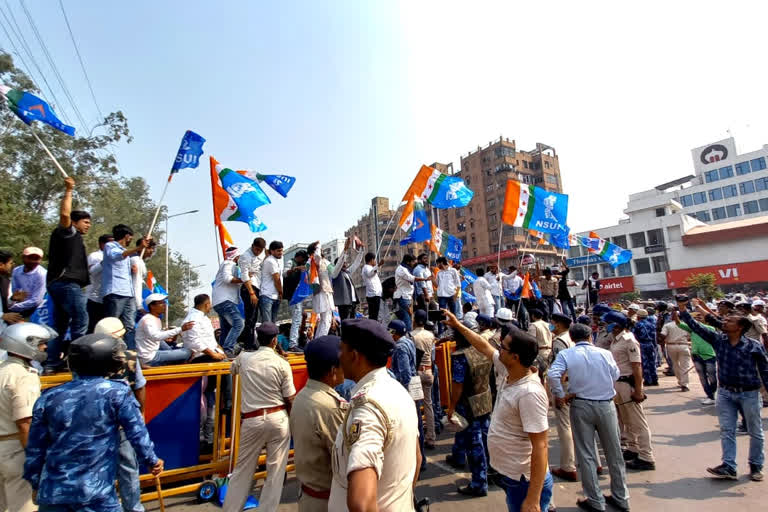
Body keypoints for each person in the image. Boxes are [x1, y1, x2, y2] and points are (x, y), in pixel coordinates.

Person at [24, 333, 163, 512]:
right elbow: (137, 433)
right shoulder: (117, 394)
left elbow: (35, 449)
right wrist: (152, 461)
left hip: (53, 494)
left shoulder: (48, 397)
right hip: (96, 495)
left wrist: (35, 483)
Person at [443, 310, 553, 512]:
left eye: (503, 347)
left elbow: (541, 446)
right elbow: (482, 345)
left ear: (515, 357)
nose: (498, 348)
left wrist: (533, 498)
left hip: (524, 481)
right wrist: (458, 325)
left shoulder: (529, 392)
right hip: (512, 476)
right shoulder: (507, 369)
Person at [328, 318, 420, 512]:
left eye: (342, 350)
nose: (339, 356)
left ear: (354, 355)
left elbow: (362, 503)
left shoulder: (368, 408)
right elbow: (417, 458)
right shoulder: (397, 391)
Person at [679, 297, 768, 481]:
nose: (724, 322)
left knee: (755, 431)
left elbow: (765, 371)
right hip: (726, 393)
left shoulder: (754, 346)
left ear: (740, 327)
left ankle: (756, 466)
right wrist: (683, 308)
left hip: (750, 394)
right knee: (727, 430)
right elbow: (696, 327)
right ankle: (729, 465)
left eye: (729, 321)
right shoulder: (719, 341)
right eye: (725, 320)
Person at [549, 323, 629, 512]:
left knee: (586, 454)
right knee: (614, 453)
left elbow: (553, 374)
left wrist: (560, 395)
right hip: (606, 404)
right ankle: (621, 497)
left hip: (581, 404)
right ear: (590, 337)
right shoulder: (604, 353)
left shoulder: (566, 354)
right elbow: (615, 374)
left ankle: (595, 499)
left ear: (573, 338)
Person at [224, 323, 296, 512]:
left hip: (252, 419)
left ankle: (231, 508)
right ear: (275, 340)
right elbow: (290, 398)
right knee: (275, 473)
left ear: (257, 339)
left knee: (242, 471)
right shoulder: (282, 363)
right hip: (278, 417)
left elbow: (232, 369)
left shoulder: (244, 358)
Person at [94, 317, 148, 512]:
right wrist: (140, 413)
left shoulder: (85, 358)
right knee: (128, 469)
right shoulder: (130, 357)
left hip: (95, 425)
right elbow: (140, 387)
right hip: (122, 423)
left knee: (100, 470)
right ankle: (133, 508)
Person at [0, 323, 54, 512]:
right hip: (16, 450)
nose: (44, 348)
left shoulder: (2, 371)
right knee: (23, 506)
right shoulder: (23, 376)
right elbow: (25, 423)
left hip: (3, 447)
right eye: (41, 344)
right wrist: (36, 459)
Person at [290, 335, 347, 511]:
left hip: (309, 495)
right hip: (328, 500)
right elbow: (346, 459)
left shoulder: (302, 396)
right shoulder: (330, 407)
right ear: (332, 371)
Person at [45, 177, 92, 371]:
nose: (88, 225)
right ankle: (78, 363)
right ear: (74, 222)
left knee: (60, 326)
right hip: (66, 284)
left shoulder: (75, 239)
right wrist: (69, 191)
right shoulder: (67, 232)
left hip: (59, 284)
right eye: (85, 222)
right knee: (81, 321)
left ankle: (52, 363)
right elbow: (64, 214)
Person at [445, 319, 492, 497]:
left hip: (469, 404)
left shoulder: (461, 356)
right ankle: (489, 472)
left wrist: (451, 407)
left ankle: (479, 483)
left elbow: (457, 384)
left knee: (475, 444)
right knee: (485, 438)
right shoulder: (483, 349)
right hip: (484, 399)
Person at [604, 310, 656, 471]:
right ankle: (633, 448)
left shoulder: (629, 340)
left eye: (609, 323)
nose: (606, 326)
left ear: (617, 325)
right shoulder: (615, 340)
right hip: (618, 384)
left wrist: (639, 389)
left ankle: (646, 456)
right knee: (626, 420)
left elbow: (637, 366)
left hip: (628, 383)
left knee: (637, 421)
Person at [102, 224, 151, 350]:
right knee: (112, 326)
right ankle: (110, 354)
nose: (131, 240)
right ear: (127, 236)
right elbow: (117, 255)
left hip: (129, 294)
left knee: (129, 326)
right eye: (131, 238)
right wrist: (138, 247)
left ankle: (131, 355)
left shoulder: (128, 255)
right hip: (115, 293)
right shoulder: (110, 246)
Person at [549, 312, 577, 482]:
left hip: (564, 386)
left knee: (565, 426)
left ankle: (568, 466)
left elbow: (560, 369)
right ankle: (594, 463)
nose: (551, 326)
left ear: (558, 324)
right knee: (581, 426)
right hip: (577, 385)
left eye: (552, 323)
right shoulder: (573, 337)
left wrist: (559, 393)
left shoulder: (559, 341)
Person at [135, 294, 194, 367]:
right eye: (161, 303)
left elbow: (158, 337)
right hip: (149, 357)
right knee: (188, 352)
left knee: (180, 351)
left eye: (164, 302)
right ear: (152, 306)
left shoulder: (155, 318)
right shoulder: (147, 320)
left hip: (153, 352)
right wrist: (180, 329)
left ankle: (172, 360)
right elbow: (156, 336)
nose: (164, 305)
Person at [676, 311, 717, 405]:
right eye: (696, 318)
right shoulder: (692, 329)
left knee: (712, 377)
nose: (698, 319)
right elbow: (678, 323)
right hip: (696, 356)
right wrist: (675, 315)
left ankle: (713, 392)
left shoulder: (710, 328)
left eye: (700, 317)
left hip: (709, 355)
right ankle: (710, 396)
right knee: (702, 378)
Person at [212, 247, 245, 356]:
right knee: (239, 324)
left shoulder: (227, 265)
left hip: (220, 301)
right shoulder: (228, 264)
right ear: (236, 256)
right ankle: (228, 349)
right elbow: (227, 279)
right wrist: (244, 279)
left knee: (226, 329)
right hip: (225, 301)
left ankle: (221, 350)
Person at [412, 310, 437, 449]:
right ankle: (431, 437)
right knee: (429, 405)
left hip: (417, 372)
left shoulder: (411, 336)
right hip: (428, 370)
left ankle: (419, 438)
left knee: (416, 406)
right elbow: (432, 356)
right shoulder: (430, 335)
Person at [238, 238, 267, 347]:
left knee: (254, 318)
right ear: (252, 246)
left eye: (260, 250)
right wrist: (251, 293)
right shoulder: (245, 256)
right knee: (250, 318)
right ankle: (248, 344)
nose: (258, 252)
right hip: (249, 288)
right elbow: (244, 276)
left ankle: (249, 341)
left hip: (258, 286)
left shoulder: (262, 254)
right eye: (256, 249)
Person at [85, 234, 114, 333]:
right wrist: (104, 262)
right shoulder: (95, 256)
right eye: (109, 243)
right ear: (101, 244)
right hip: (94, 298)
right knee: (92, 326)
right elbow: (91, 271)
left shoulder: (115, 257)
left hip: (108, 298)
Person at [9, 247, 47, 318]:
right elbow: (15, 292)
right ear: (23, 258)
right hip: (18, 305)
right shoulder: (16, 271)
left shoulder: (42, 274)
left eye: (36, 259)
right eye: (30, 258)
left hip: (36, 309)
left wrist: (13, 307)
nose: (33, 261)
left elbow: (37, 300)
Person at [308, 242, 335, 337]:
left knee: (324, 321)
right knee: (326, 321)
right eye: (319, 248)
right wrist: (318, 244)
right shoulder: (314, 261)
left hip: (325, 292)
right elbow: (317, 256)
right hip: (322, 293)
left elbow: (335, 272)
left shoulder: (324, 262)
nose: (321, 250)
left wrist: (344, 252)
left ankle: (317, 343)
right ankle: (319, 344)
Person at [660, 311, 693, 391]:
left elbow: (663, 335)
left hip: (671, 345)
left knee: (675, 365)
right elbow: (689, 336)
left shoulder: (667, 325)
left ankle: (681, 382)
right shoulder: (685, 325)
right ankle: (684, 384)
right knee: (684, 366)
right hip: (683, 345)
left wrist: (662, 342)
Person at [332, 238, 364, 321]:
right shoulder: (335, 273)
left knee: (353, 323)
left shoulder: (347, 272)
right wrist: (345, 249)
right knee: (345, 322)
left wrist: (361, 250)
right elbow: (339, 263)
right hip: (343, 303)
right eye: (343, 262)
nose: (345, 263)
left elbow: (356, 263)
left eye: (345, 262)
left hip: (352, 302)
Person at [283, 250, 309, 350]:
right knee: (296, 320)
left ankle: (293, 343)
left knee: (297, 319)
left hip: (297, 295)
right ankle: (293, 344)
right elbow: (285, 274)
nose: (303, 262)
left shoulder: (301, 266)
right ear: (299, 257)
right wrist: (296, 268)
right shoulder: (291, 262)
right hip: (292, 296)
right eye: (303, 259)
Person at [394, 254, 427, 332]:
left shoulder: (407, 269)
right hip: (403, 296)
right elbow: (411, 278)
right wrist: (426, 279)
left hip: (407, 297)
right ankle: (408, 339)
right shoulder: (402, 269)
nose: (414, 264)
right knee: (407, 320)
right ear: (408, 262)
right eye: (413, 262)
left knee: (409, 318)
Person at [130, 238, 157, 317]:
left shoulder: (138, 260)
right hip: (133, 299)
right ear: (143, 247)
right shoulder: (136, 260)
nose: (152, 251)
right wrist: (139, 306)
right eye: (150, 248)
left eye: (153, 249)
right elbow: (136, 283)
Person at [259, 241, 285, 324]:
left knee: (273, 324)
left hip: (274, 296)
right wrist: (281, 292)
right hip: (267, 295)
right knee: (267, 324)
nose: (280, 253)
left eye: (281, 250)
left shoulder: (276, 260)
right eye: (278, 251)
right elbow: (276, 279)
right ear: (272, 251)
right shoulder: (270, 261)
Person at [632, 309, 658, 386]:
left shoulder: (637, 325)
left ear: (638, 316)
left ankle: (648, 380)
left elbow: (634, 336)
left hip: (641, 344)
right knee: (652, 362)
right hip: (650, 344)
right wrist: (654, 345)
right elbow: (654, 336)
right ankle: (654, 379)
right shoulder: (651, 325)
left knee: (644, 362)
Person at [435, 257, 461, 334]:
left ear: (442, 263)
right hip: (441, 296)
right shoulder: (439, 273)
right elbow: (437, 285)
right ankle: (441, 332)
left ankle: (456, 331)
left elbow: (458, 284)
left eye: (438, 264)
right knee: (441, 315)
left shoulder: (453, 271)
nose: (437, 266)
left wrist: (455, 296)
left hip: (451, 295)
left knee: (453, 314)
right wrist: (432, 278)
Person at [527, 308, 553, 381]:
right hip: (550, 351)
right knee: (548, 374)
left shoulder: (533, 325)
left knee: (540, 376)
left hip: (540, 352)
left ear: (533, 316)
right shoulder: (549, 325)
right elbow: (554, 336)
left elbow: (531, 340)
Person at [362, 252, 382, 322]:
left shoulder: (371, 268)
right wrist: (378, 265)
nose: (375, 262)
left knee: (375, 315)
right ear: (371, 260)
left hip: (375, 294)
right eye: (375, 260)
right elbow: (370, 273)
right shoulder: (366, 268)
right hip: (373, 295)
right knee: (373, 315)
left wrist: (378, 266)